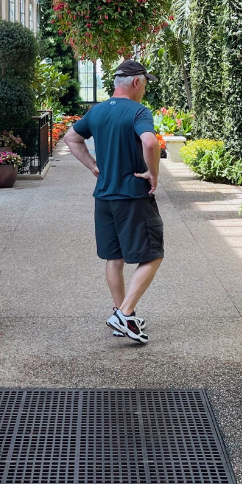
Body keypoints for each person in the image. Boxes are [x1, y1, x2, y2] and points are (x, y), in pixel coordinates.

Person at [63, 59, 163, 344]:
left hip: (104, 197)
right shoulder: (138, 111)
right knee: (153, 255)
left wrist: (93, 167)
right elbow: (150, 142)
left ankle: (123, 320)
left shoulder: (96, 111)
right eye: (145, 84)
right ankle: (125, 313)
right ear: (136, 82)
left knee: (114, 258)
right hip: (132, 197)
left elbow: (71, 138)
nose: (144, 89)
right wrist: (153, 173)